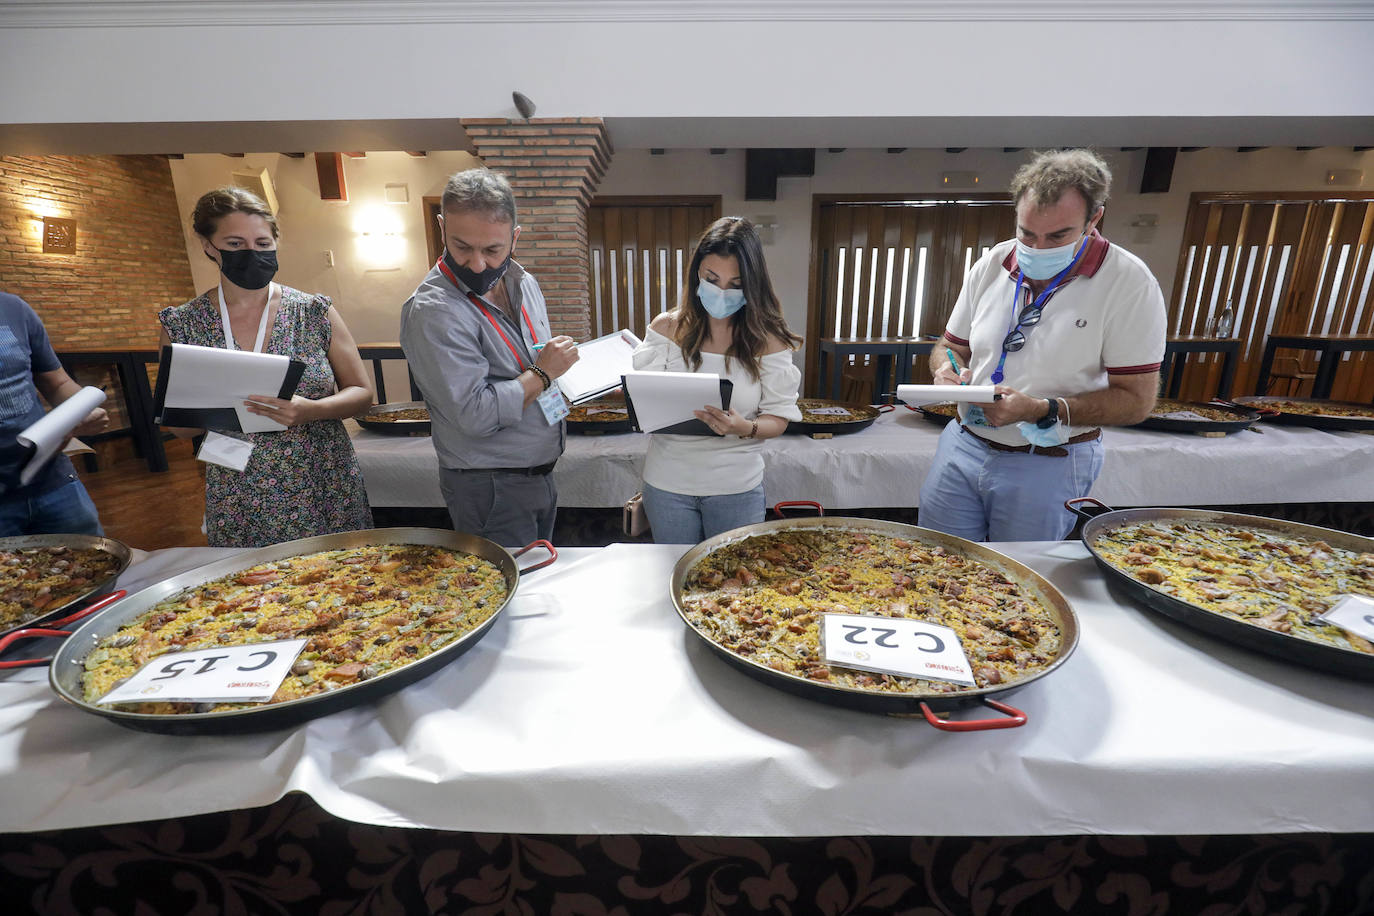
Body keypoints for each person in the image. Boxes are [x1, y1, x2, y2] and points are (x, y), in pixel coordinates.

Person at [919, 149, 1166, 542]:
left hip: (1049, 461)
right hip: (963, 446)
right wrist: (945, 368)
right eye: (1027, 233)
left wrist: (1040, 409)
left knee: (1018, 583)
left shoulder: (1128, 282)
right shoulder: (995, 262)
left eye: (1058, 236)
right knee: (936, 565)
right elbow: (950, 346)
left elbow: (1137, 401)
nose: (1038, 247)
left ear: (1094, 218)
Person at [159, 187, 374, 547]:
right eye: (235, 243)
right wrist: (221, 407)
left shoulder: (313, 311)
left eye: (262, 243)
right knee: (257, 593)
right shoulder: (183, 324)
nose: (252, 253)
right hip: (240, 485)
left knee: (342, 584)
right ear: (208, 245)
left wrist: (313, 410)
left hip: (322, 476)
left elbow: (362, 394)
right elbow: (178, 427)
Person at [400, 169, 579, 546]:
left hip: (538, 472)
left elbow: (529, 362)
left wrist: (558, 381)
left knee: (535, 583)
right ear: (441, 226)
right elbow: (475, 414)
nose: (477, 265)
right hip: (489, 483)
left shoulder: (522, 281)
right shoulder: (434, 309)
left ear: (515, 237)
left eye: (492, 250)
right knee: (504, 595)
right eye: (462, 246)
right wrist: (543, 374)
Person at [631, 217, 803, 543]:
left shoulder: (768, 340)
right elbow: (645, 399)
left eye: (735, 284)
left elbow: (778, 416)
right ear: (697, 272)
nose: (721, 291)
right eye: (712, 279)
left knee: (731, 586)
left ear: (752, 285)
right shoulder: (667, 329)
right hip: (667, 485)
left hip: (735, 487)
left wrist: (746, 428)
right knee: (672, 576)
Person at [0, 291, 108, 536]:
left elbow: (57, 383)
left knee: (90, 568)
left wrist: (82, 408)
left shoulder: (13, 307)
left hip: (54, 480)